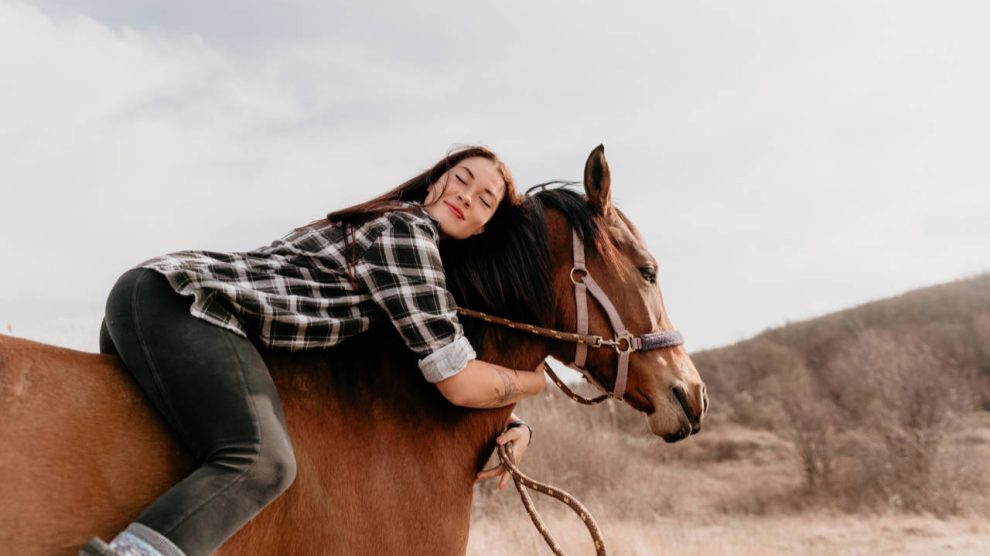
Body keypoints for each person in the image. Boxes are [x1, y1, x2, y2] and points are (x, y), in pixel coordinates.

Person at [83, 146, 547, 556]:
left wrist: (512, 421)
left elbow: (409, 370)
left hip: (157, 298)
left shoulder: (407, 258)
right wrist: (536, 382)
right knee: (262, 462)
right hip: (185, 303)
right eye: (462, 178)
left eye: (485, 199)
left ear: (485, 228)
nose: (468, 195)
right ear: (435, 180)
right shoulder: (405, 231)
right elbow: (459, 380)